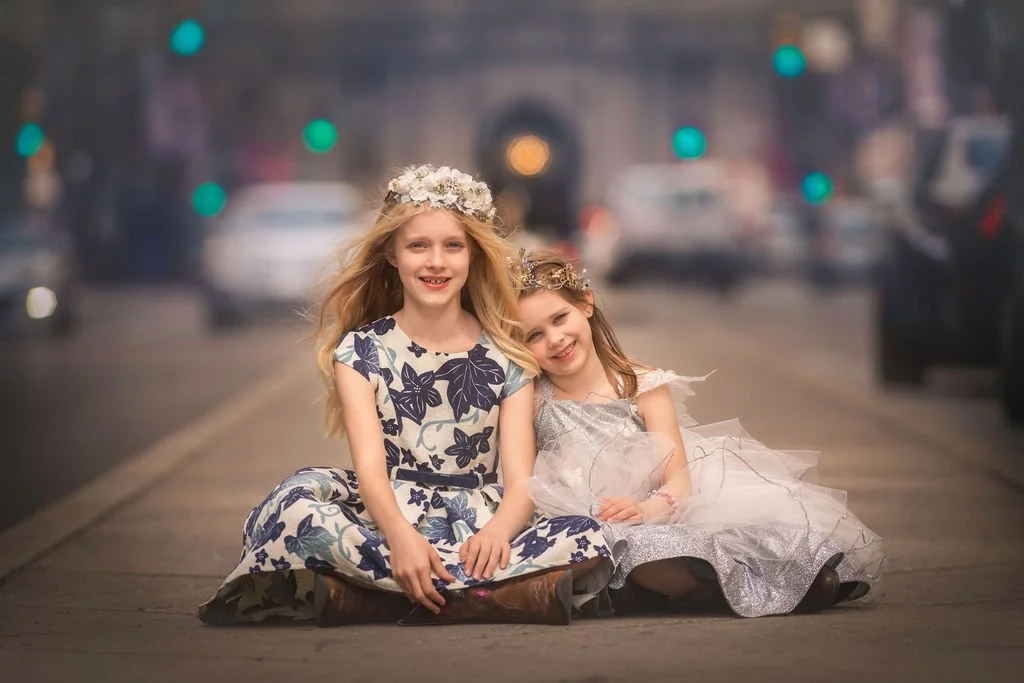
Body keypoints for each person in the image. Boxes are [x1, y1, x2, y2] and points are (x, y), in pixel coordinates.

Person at [197, 166, 612, 627]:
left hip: (480, 520)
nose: (436, 262)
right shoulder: (361, 351)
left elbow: (520, 483)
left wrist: (497, 532)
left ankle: (371, 597)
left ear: (473, 254)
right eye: (419, 246)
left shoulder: (508, 356)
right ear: (392, 255)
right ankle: (490, 596)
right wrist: (401, 539)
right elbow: (371, 472)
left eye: (452, 246)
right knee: (293, 507)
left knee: (588, 535)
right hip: (387, 516)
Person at [513, 250, 886, 618]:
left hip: (653, 514)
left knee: (682, 543)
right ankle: (712, 593)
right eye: (535, 335)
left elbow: (677, 478)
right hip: (581, 525)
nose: (555, 339)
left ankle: (781, 578)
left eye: (560, 318)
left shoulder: (641, 386)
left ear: (587, 304)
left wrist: (646, 508)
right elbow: (524, 477)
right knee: (624, 551)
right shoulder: (532, 399)